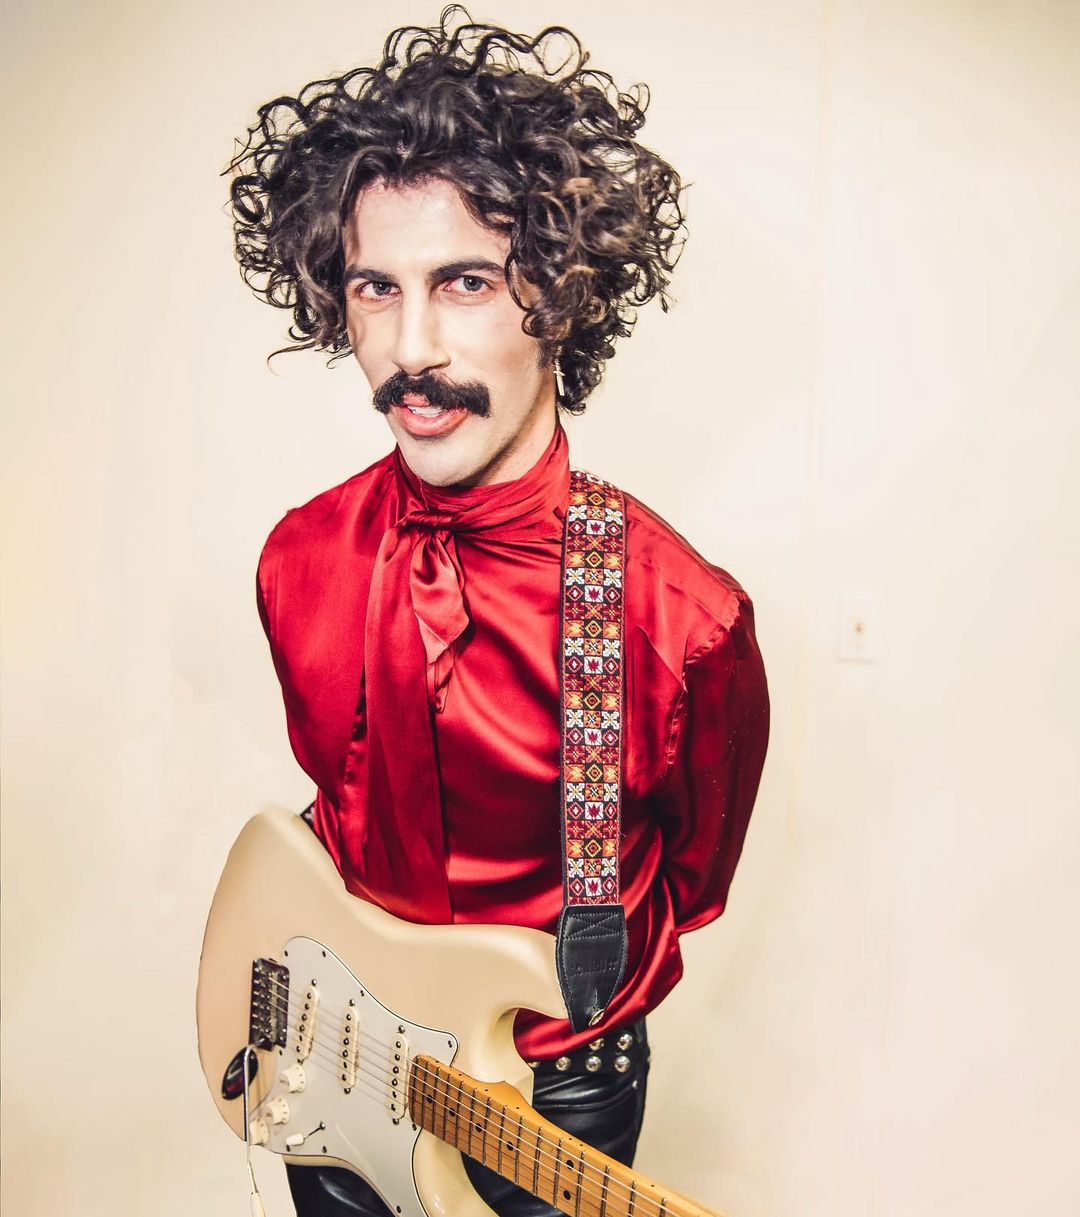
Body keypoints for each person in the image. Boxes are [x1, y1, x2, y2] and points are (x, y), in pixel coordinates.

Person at [228, 8, 770, 1215]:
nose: (410, 347)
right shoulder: (298, 558)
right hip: (336, 1057)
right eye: (375, 287)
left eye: (465, 282)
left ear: (560, 297)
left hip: (547, 1095)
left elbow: (692, 875)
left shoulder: (681, 619)